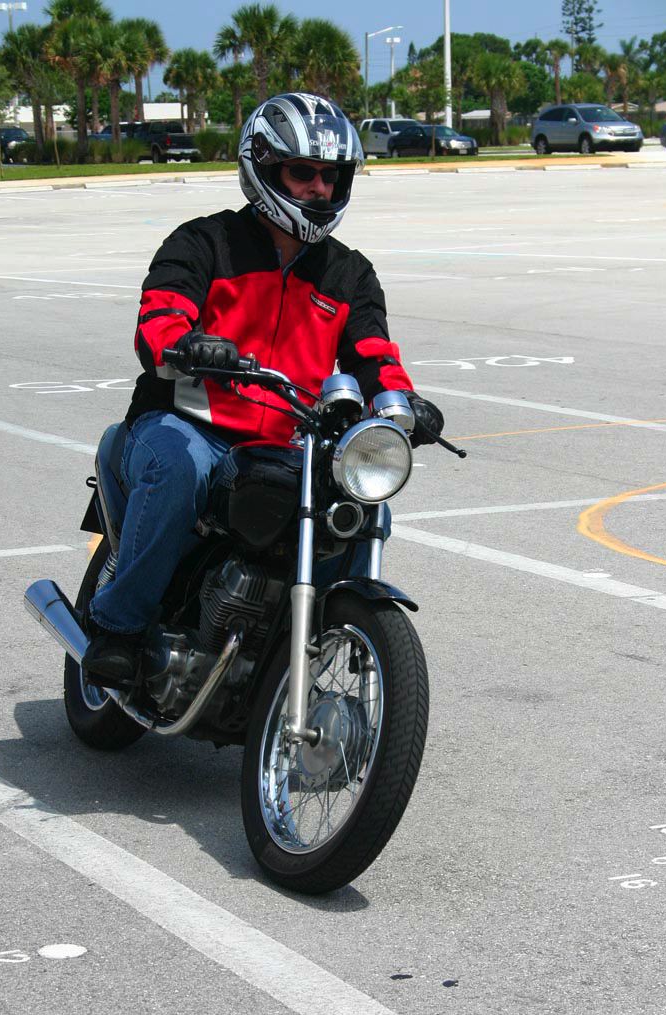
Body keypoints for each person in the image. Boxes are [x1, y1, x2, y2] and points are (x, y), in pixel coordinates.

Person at [82, 92, 444, 685]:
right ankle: (118, 627)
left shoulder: (349, 273)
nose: (319, 189)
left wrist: (405, 403)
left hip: (286, 440)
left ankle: (304, 637)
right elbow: (161, 314)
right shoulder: (204, 242)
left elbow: (374, 353)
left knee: (357, 502)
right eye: (303, 173)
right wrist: (185, 344)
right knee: (179, 471)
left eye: (331, 176)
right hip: (187, 423)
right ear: (265, 169)